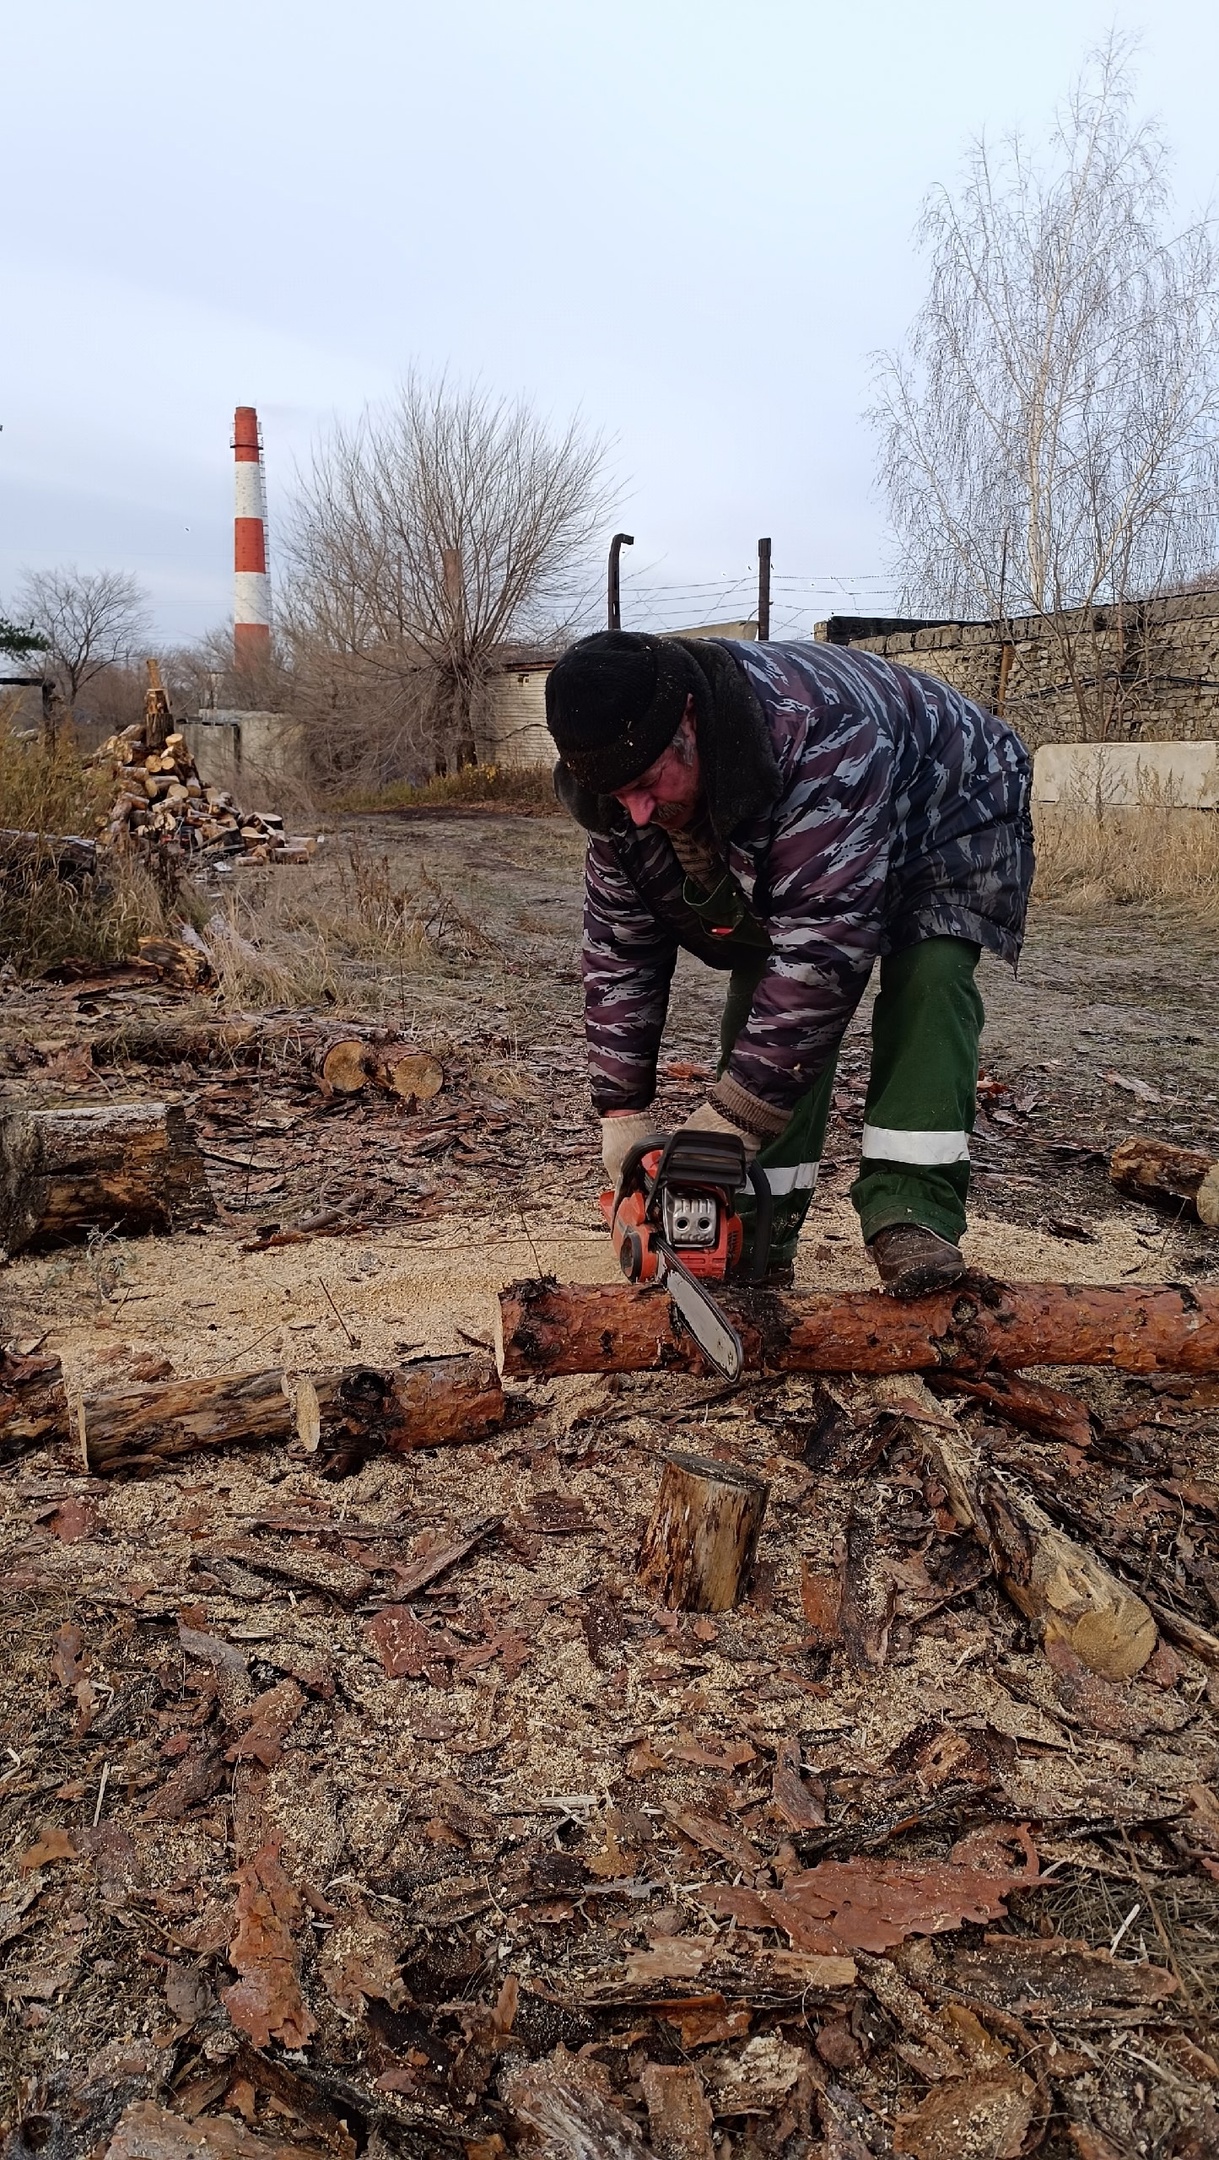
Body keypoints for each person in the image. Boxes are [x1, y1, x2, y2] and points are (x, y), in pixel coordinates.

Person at [544, 629, 1033, 1296]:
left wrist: (727, 1124)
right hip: (816, 818)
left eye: (647, 782)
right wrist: (621, 1113)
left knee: (930, 971)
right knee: (761, 975)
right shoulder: (620, 804)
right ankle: (756, 1224)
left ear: (688, 715)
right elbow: (619, 950)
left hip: (948, 796)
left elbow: (823, 950)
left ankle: (911, 1211)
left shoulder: (813, 733)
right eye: (617, 792)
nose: (636, 808)